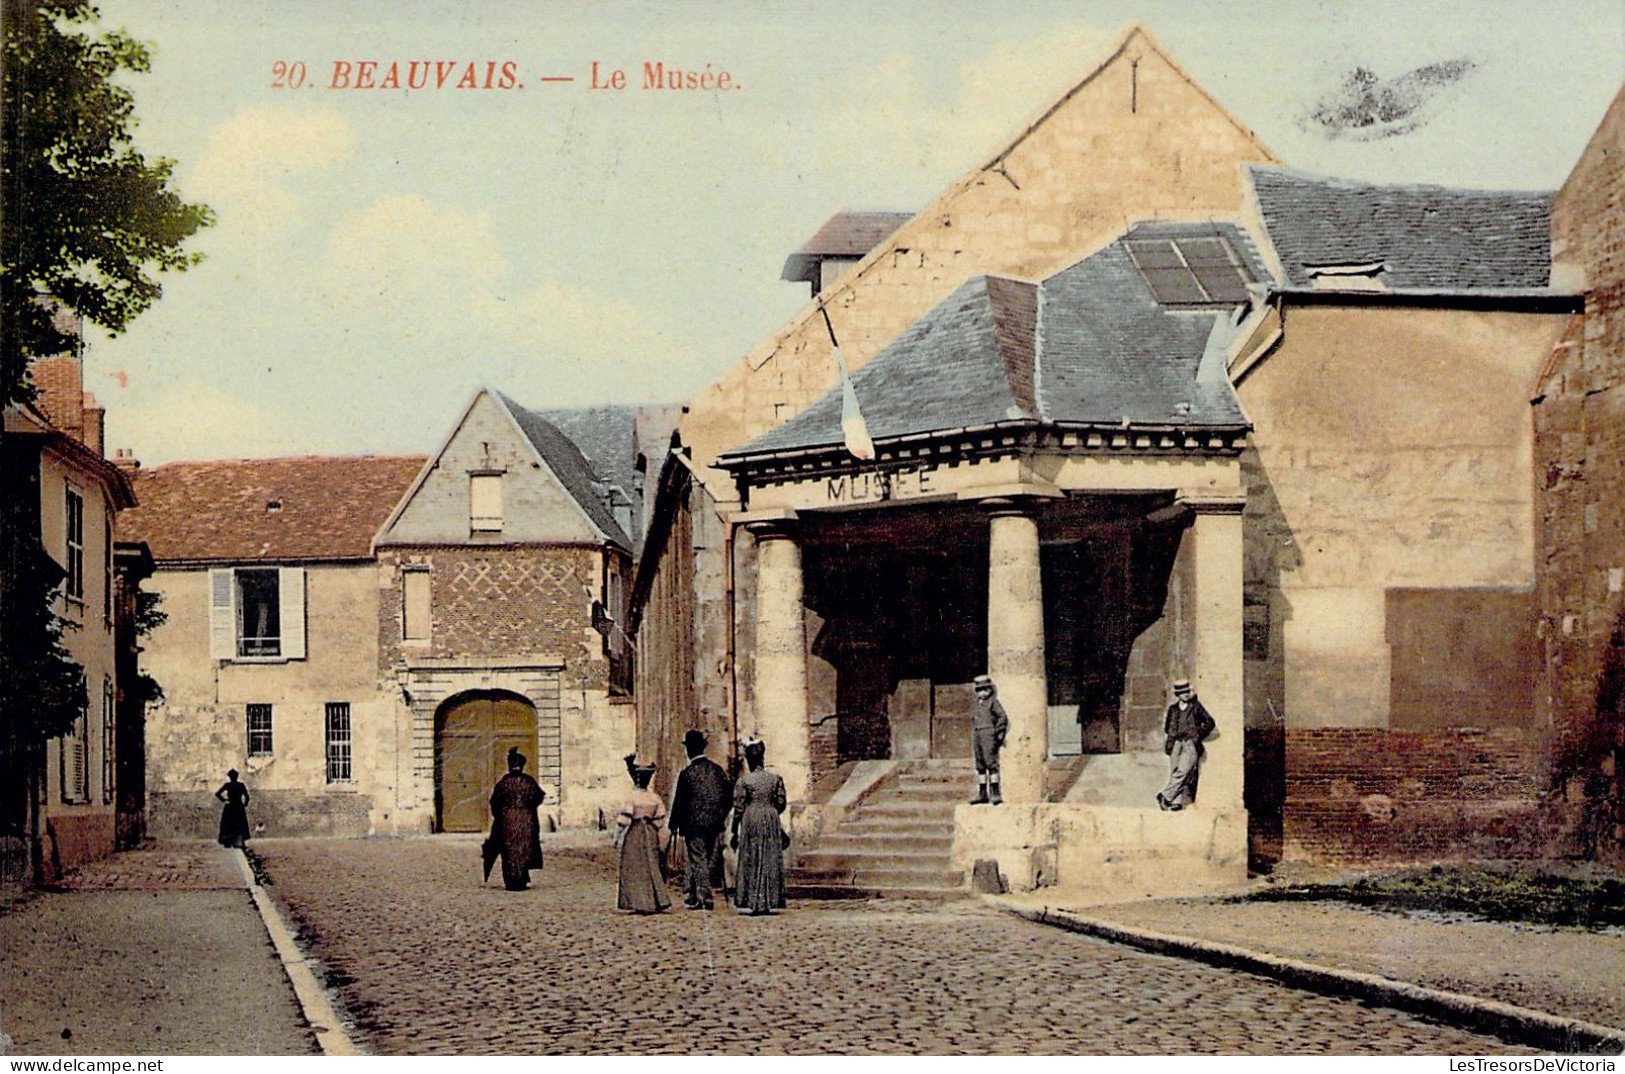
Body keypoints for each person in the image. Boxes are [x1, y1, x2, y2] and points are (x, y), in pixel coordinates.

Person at [668, 729, 732, 910]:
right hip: (713, 824)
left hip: (694, 825)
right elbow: (728, 797)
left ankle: (705, 896)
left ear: (689, 750)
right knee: (703, 859)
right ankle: (694, 895)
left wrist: (673, 824)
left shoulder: (687, 774)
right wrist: (720, 816)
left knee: (698, 860)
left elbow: (679, 802)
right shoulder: (717, 771)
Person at [731, 737, 787, 916]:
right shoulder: (775, 779)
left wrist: (734, 829)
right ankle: (769, 899)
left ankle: (754, 899)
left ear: (749, 760)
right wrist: (770, 811)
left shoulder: (744, 781)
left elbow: (739, 807)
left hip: (751, 817)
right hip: (770, 816)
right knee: (769, 856)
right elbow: (781, 802)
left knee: (752, 856)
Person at [616, 754, 671, 914]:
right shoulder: (655, 798)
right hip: (651, 831)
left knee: (635, 867)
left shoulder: (631, 798)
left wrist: (618, 836)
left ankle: (639, 901)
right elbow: (660, 819)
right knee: (651, 865)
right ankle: (655, 900)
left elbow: (624, 820)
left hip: (634, 833)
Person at [487, 748, 546, 891]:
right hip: (526, 821)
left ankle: (511, 881)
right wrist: (528, 809)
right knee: (523, 850)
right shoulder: (528, 782)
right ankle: (521, 879)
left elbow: (494, 802)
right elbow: (538, 797)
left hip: (507, 821)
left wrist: (501, 815)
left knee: (509, 851)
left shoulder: (504, 783)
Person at [1157, 678, 1217, 812]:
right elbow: (1167, 727)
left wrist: (1197, 735)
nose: (1186, 694)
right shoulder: (1173, 709)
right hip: (1175, 743)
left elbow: (1209, 722)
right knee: (1175, 771)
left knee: (1184, 771)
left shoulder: (1195, 706)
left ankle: (1165, 795)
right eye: (1183, 692)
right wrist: (1173, 736)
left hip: (1190, 743)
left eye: (1187, 691)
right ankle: (1175, 802)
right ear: (1178, 694)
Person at [969, 675, 1009, 805]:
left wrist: (997, 732)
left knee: (991, 763)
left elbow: (1002, 717)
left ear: (990, 690)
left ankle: (995, 793)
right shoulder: (977, 705)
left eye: (985, 690)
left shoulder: (993, 703)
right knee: (980, 764)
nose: (982, 693)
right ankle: (982, 794)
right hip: (977, 734)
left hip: (988, 734)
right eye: (979, 690)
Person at [215, 769, 251, 848]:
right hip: (238, 806)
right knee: (239, 824)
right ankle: (239, 841)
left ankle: (228, 841)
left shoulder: (228, 785)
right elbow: (247, 796)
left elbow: (217, 794)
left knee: (229, 824)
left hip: (230, 806)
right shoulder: (241, 785)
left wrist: (224, 800)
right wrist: (245, 804)